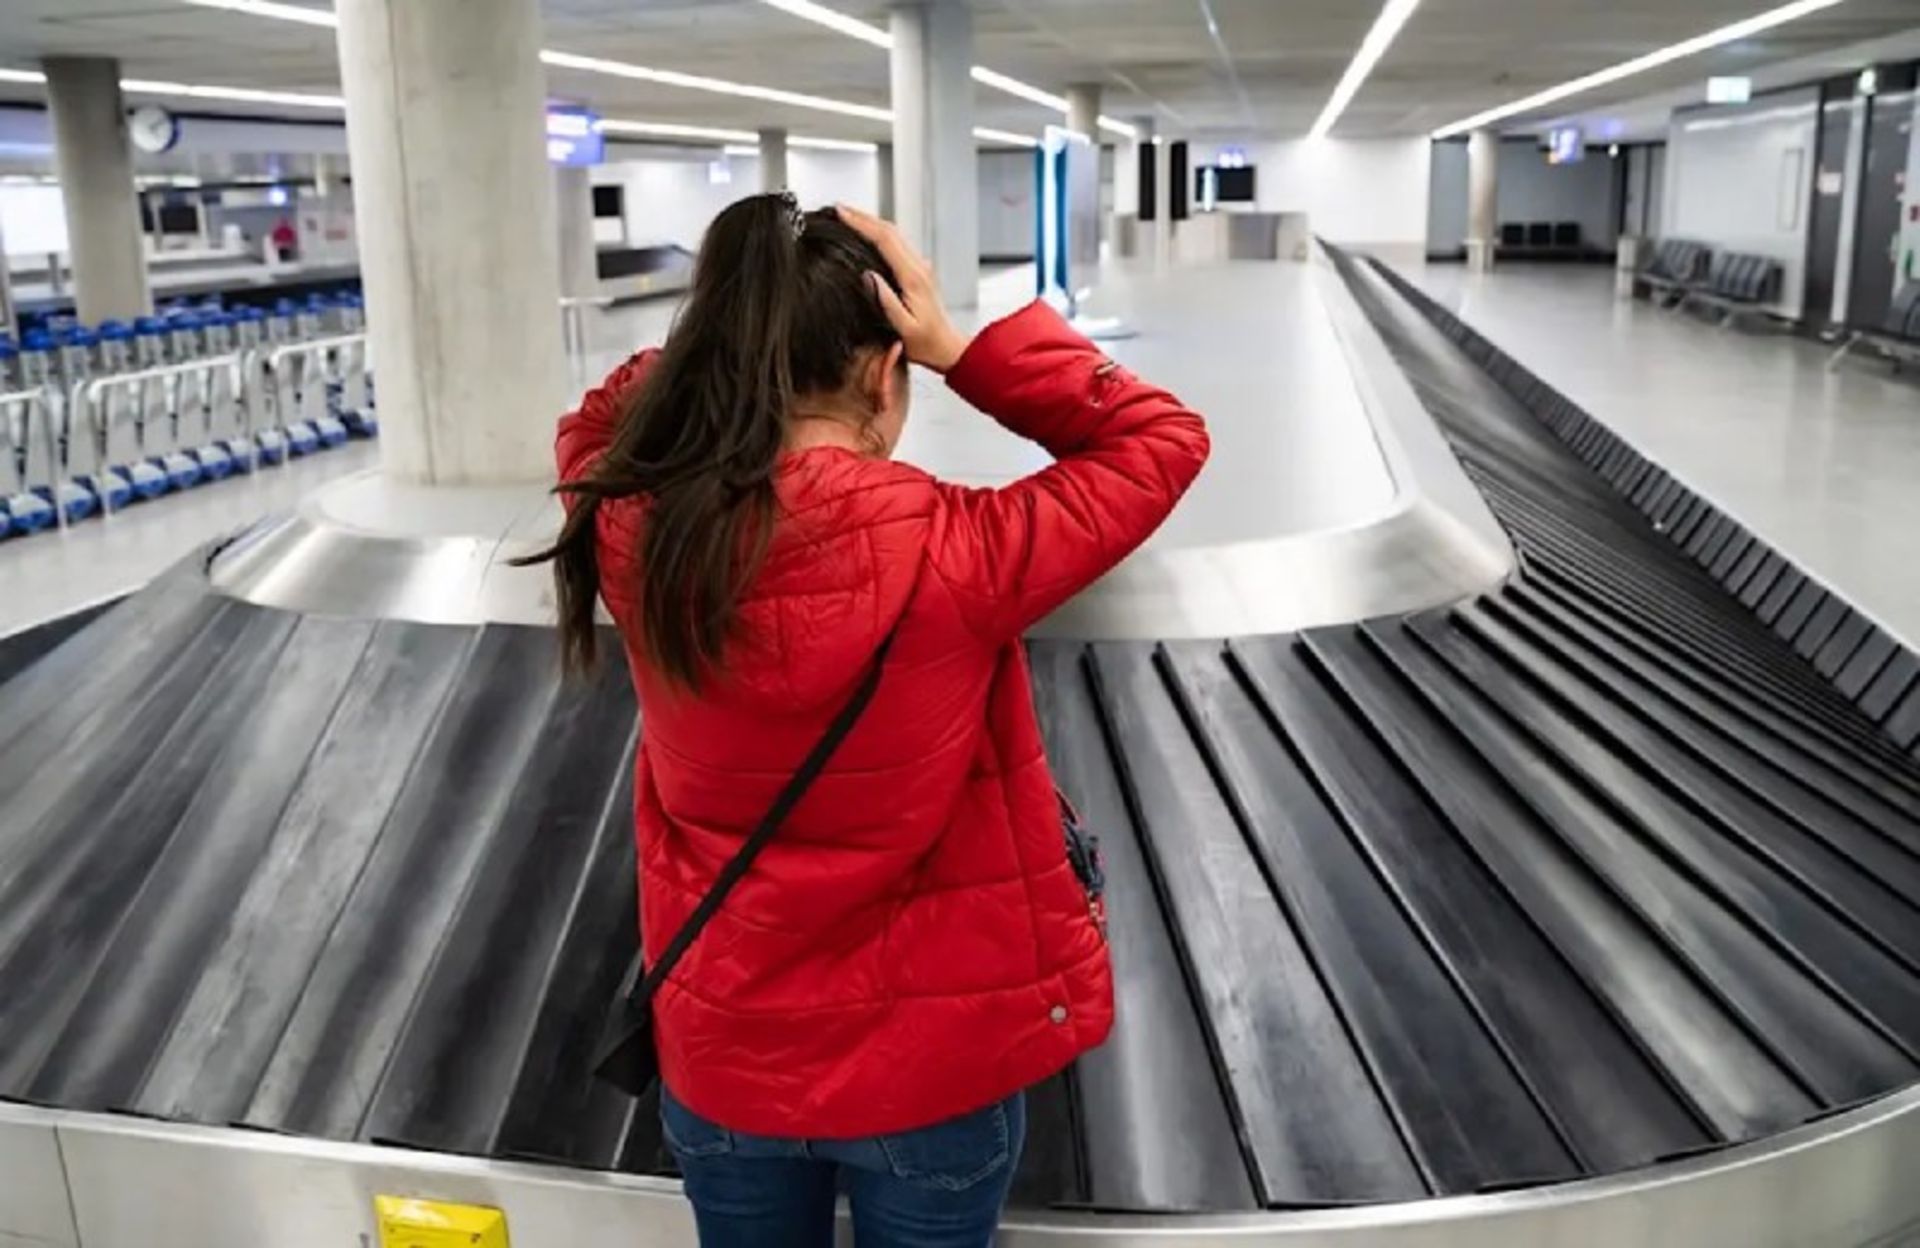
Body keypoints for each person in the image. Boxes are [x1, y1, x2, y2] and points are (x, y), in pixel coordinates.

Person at [530, 193, 1208, 1247]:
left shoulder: (634, 535)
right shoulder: (966, 549)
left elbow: (591, 424)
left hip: (726, 1060)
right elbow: (1158, 436)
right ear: (883, 373)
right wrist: (966, 347)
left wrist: (722, 331)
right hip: (929, 1080)